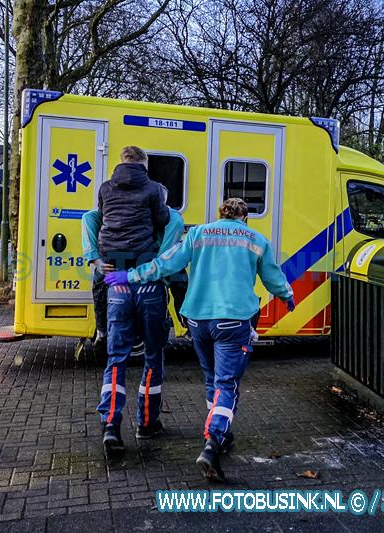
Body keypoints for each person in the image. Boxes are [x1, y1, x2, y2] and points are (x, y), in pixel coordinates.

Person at [105, 198, 295, 481]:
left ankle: (221, 432)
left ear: (220, 215)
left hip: (198, 320)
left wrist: (129, 276)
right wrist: (287, 296)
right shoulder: (255, 239)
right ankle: (213, 442)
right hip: (233, 320)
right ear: (244, 218)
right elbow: (272, 277)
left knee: (212, 379)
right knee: (226, 384)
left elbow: (165, 264)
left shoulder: (198, 234)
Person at [95, 146, 171, 456]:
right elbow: (163, 220)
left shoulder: (105, 188)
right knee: (153, 354)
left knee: (117, 358)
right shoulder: (153, 189)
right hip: (148, 280)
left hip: (117, 281)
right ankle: (146, 422)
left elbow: (99, 218)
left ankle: (111, 425)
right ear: (143, 164)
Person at [82, 194, 187, 358]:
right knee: (179, 281)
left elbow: (89, 217)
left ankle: (102, 330)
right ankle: (188, 324)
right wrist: (158, 271)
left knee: (100, 285)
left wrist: (96, 260)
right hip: (148, 259)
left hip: (125, 259)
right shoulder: (170, 216)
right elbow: (167, 253)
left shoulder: (116, 210)